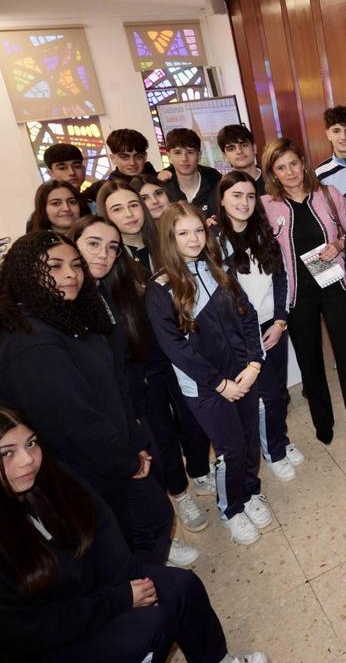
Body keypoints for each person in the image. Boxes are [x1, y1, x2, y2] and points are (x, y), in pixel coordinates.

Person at [0, 404, 267, 663]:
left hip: (76, 598)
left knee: (182, 586)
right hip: (37, 647)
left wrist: (125, 581)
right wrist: (118, 600)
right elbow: (30, 631)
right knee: (152, 624)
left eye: (30, 444)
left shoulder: (31, 482)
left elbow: (96, 519)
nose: (28, 461)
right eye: (7, 454)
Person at [0, 231, 174, 567]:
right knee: (141, 529)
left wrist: (133, 440)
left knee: (150, 521)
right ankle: (141, 591)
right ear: (25, 274)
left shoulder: (57, 317)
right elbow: (74, 425)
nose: (70, 275)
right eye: (55, 266)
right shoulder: (33, 345)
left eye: (76, 265)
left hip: (108, 451)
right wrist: (128, 460)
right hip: (83, 472)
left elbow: (108, 387)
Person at [72, 216, 208, 566]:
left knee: (165, 446)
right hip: (109, 407)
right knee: (152, 458)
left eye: (111, 247)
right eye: (93, 244)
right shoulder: (72, 298)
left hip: (137, 381)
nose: (103, 254)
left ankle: (162, 530)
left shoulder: (111, 286)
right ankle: (160, 538)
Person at [146, 203, 272, 546]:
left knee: (248, 440)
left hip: (243, 375)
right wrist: (220, 384)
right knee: (230, 449)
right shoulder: (160, 288)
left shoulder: (218, 270)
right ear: (169, 238)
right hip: (206, 389)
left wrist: (253, 364)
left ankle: (250, 492)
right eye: (183, 233)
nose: (193, 238)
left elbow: (248, 316)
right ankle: (231, 509)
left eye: (198, 230)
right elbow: (176, 348)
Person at [262, 138, 346, 444]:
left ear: (303, 162)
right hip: (298, 294)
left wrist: (338, 244)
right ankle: (322, 422)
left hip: (334, 284)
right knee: (310, 360)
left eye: (293, 164)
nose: (290, 172)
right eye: (281, 168)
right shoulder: (267, 206)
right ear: (273, 173)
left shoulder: (328, 194)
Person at [216, 170, 305, 482]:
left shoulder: (264, 233)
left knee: (277, 391)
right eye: (236, 196)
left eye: (250, 196)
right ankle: (272, 452)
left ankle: (279, 440)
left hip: (272, 326)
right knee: (257, 399)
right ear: (223, 200)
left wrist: (281, 320)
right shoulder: (214, 243)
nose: (244, 202)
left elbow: (280, 279)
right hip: (240, 334)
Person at [98, 180, 161, 273]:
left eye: (134, 205)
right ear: (106, 215)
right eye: (117, 209)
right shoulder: (107, 259)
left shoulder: (166, 243)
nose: (129, 214)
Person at [85, 128, 158, 207]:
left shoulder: (160, 179)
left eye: (138, 157)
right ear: (113, 158)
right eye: (125, 157)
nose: (132, 163)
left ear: (145, 156)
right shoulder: (100, 188)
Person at [160, 127, 223, 218]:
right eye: (178, 153)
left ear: (199, 155)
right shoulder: (163, 189)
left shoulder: (216, 183)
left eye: (190, 152)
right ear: (169, 157)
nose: (184, 159)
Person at [217, 124, 267, 195]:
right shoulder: (223, 188)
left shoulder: (273, 177)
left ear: (254, 148)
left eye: (244, 145)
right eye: (231, 149)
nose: (239, 151)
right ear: (225, 155)